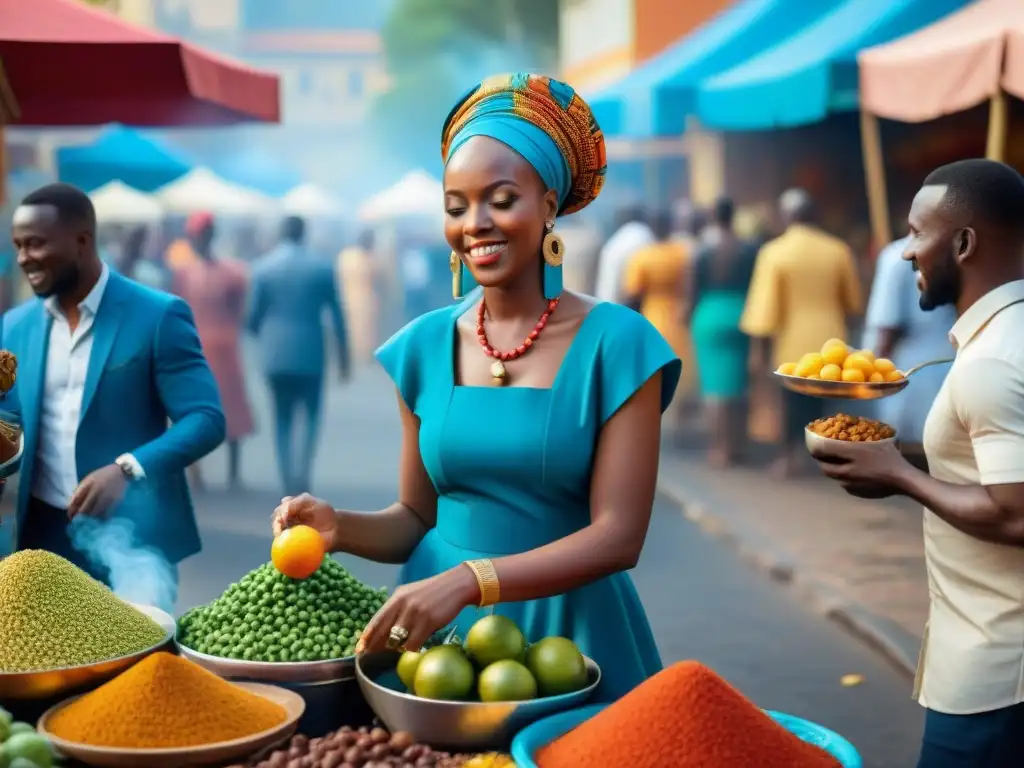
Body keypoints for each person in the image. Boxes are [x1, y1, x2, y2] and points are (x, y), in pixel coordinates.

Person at [271, 74, 680, 702]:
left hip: (569, 640)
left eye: (500, 198)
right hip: (438, 644)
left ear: (549, 203)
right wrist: (338, 528)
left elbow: (618, 537)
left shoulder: (619, 344)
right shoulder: (423, 346)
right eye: (456, 205)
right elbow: (414, 518)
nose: (475, 223)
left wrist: (471, 581)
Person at [810, 159, 1024, 768]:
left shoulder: (992, 362)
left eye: (916, 233)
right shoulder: (1003, 338)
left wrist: (900, 476)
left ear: (963, 243)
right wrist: (891, 459)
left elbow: (1016, 516)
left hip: (998, 674)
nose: (906, 254)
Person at [0, 184, 225, 608]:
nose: (24, 257)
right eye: (18, 245)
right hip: (41, 541)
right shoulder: (14, 326)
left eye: (35, 243)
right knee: (53, 670)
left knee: (136, 670)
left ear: (82, 240)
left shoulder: (158, 315)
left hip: (135, 539)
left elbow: (205, 419)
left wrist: (127, 469)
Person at [741, 188, 862, 476]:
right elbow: (853, 303)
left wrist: (758, 351)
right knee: (826, 399)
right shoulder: (838, 249)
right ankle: (827, 457)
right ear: (814, 215)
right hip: (832, 338)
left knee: (790, 401)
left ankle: (790, 457)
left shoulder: (774, 252)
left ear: (786, 216)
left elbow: (764, 310)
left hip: (791, 339)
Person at [248, 216, 350, 496]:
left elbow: (252, 317)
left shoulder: (263, 268)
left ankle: (287, 480)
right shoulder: (321, 267)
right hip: (311, 354)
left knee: (281, 418)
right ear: (304, 233)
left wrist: (263, 338)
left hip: (275, 354)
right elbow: (337, 315)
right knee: (311, 417)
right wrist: (344, 357)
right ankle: (303, 475)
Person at [172, 213, 254, 491]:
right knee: (194, 409)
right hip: (196, 348)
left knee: (230, 408)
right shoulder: (183, 274)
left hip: (223, 348)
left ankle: (233, 472)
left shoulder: (231, 273)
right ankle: (196, 471)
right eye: (199, 233)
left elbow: (241, 310)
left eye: (205, 233)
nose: (202, 238)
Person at [862, 231, 955, 458]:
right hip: (951, 357)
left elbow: (886, 323)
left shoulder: (897, 256)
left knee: (908, 447)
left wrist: (870, 371)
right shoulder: (954, 251)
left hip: (909, 365)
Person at [687, 197, 759, 467]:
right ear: (733, 215)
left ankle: (720, 448)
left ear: (712, 216)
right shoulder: (748, 248)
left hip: (710, 314)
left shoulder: (701, 249)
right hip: (742, 312)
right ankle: (739, 444)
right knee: (739, 384)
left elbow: (692, 290)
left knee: (715, 387)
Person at [622, 209, 695, 435]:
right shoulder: (682, 254)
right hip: (678, 319)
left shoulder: (642, 256)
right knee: (683, 372)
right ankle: (680, 425)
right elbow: (691, 287)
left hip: (652, 317)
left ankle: (657, 423)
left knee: (653, 372)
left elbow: (633, 293)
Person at [593, 205, 653, 304]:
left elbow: (607, 287)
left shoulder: (615, 243)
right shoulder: (646, 234)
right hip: (642, 300)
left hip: (618, 302)